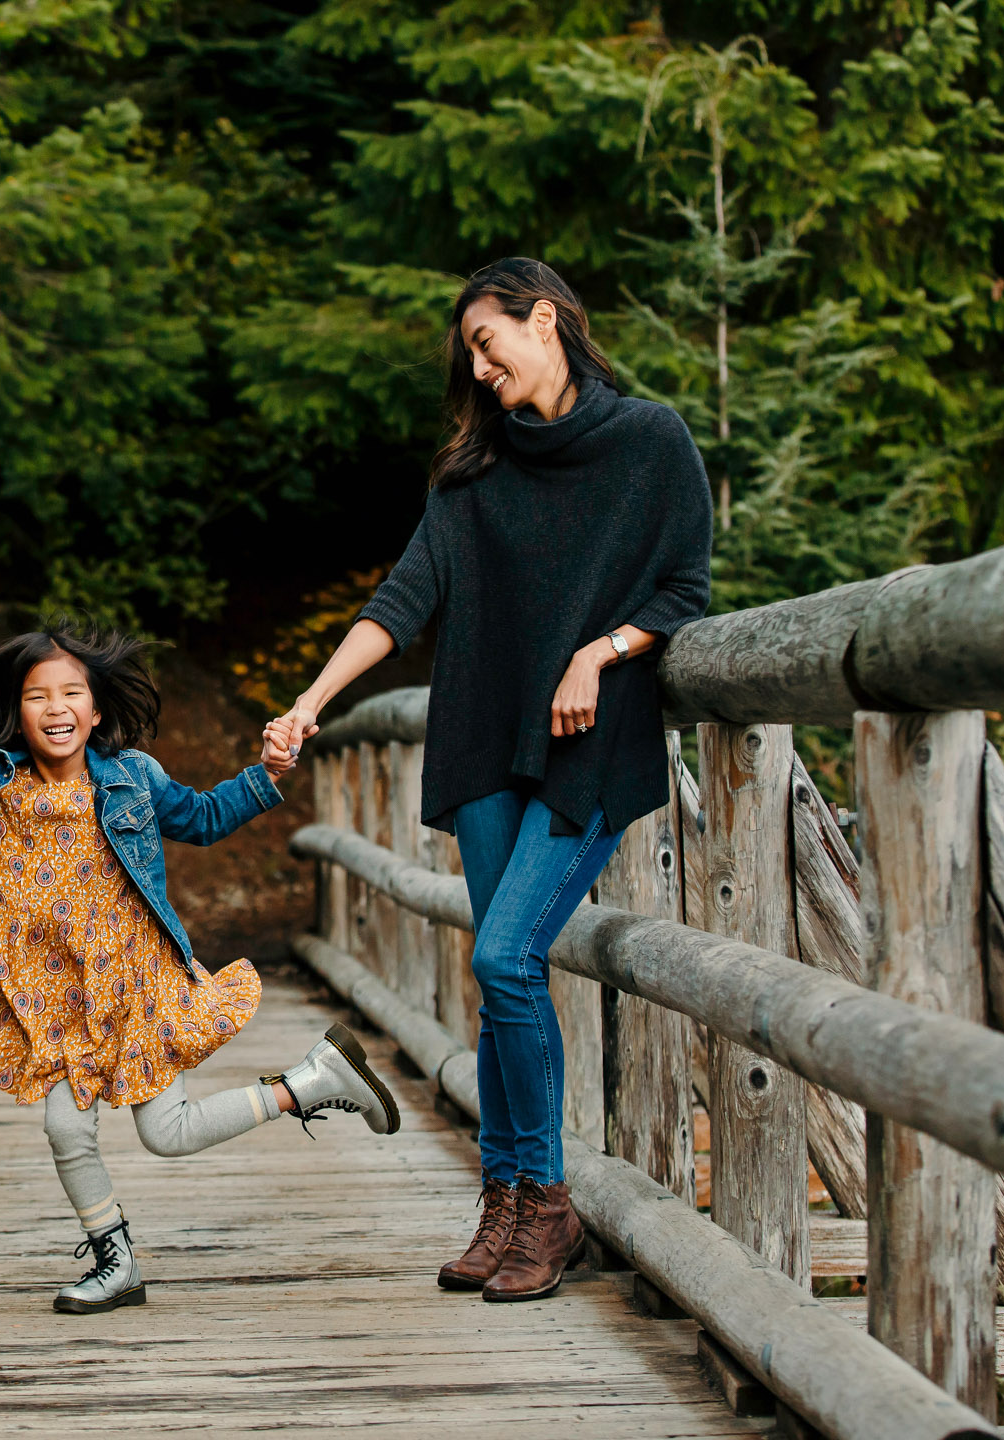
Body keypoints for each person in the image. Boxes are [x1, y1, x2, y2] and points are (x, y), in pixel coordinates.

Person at [276, 258, 712, 1303]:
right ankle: (505, 1199)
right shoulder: (472, 474)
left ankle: (548, 1206)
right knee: (496, 972)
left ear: (547, 319)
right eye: (468, 352)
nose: (478, 366)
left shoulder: (650, 441)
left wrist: (599, 651)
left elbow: (686, 589)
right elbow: (401, 599)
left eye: (489, 340)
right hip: (482, 745)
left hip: (584, 748)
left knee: (511, 957)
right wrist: (309, 702)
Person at [0, 623, 401, 1314]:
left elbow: (206, 818)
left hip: (134, 987)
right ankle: (115, 1260)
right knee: (66, 1129)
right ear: (15, 710)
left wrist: (268, 774)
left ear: (95, 710)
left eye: (72, 693)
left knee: (168, 1132)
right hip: (54, 1000)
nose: (56, 707)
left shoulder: (130, 778)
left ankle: (309, 1083)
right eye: (37, 696)